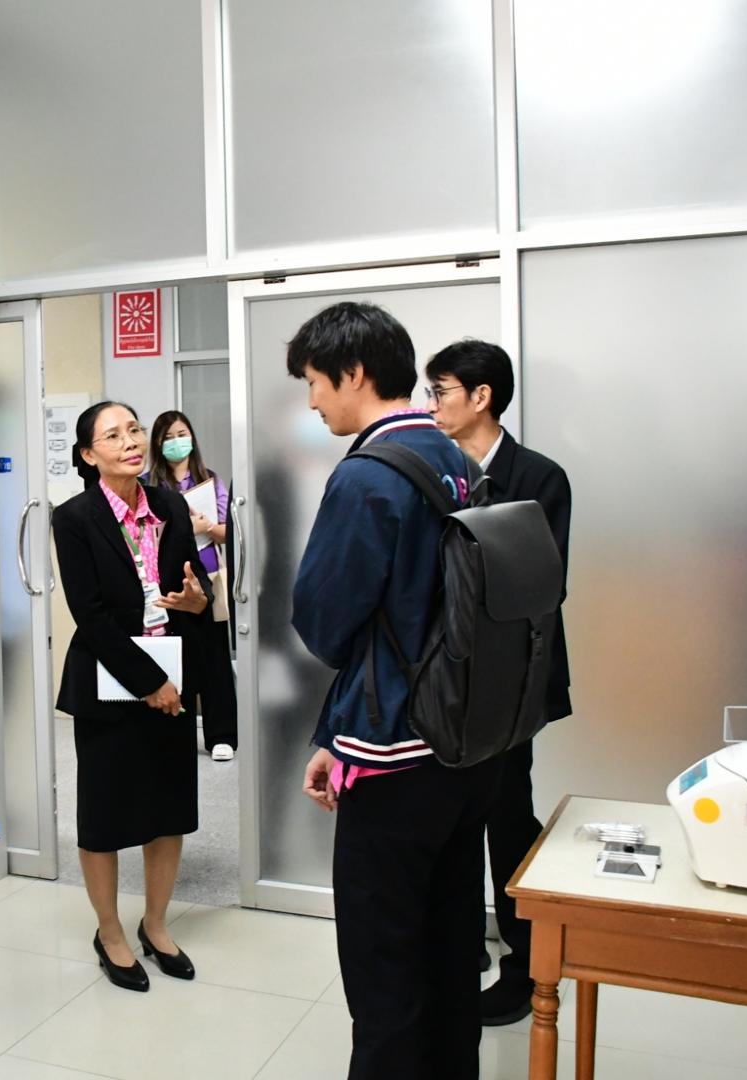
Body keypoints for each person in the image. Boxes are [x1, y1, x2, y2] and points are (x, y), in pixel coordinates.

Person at [287, 303, 504, 1079]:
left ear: (353, 374)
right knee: (449, 948)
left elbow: (325, 621)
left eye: (315, 382)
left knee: (384, 970)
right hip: (464, 742)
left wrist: (348, 732)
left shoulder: (369, 475)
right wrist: (330, 735)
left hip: (394, 758)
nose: (313, 401)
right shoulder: (456, 458)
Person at [425, 338, 572, 1026]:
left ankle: (526, 967)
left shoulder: (539, 477)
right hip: (448, 680)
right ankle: (461, 951)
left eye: (441, 391)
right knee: (449, 822)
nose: (431, 405)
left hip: (510, 686)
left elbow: (543, 585)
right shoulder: (433, 471)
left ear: (482, 397)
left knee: (509, 820)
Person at [51, 401, 212, 992]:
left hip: (171, 671)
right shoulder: (74, 518)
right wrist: (150, 685)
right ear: (89, 454)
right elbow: (90, 616)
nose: (131, 442)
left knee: (167, 810)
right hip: (109, 682)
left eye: (135, 430)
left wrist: (197, 601)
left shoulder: (171, 504)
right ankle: (110, 932)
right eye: (113, 435)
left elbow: (192, 587)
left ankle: (157, 924)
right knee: (105, 814)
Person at [146, 410, 238, 761]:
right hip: (166, 581)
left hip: (208, 578)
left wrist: (205, 527)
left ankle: (221, 736)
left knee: (215, 657)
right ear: (158, 443)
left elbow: (229, 532)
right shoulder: (148, 484)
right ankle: (172, 730)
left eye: (181, 434)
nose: (176, 442)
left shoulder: (209, 480)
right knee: (172, 655)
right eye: (168, 437)